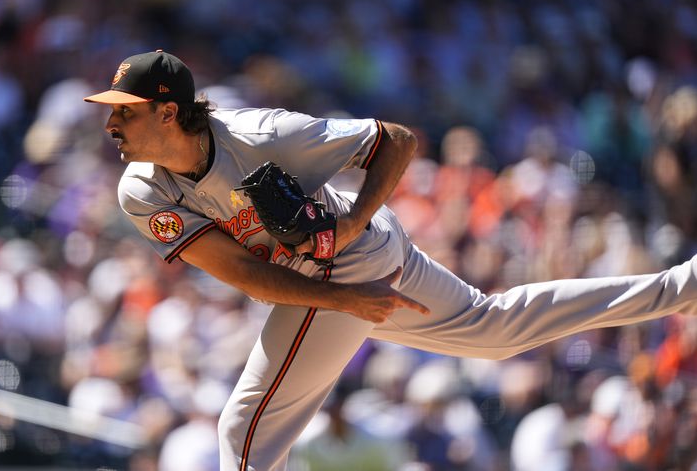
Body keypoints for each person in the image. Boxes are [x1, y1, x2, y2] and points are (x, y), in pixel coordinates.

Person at [84, 50, 697, 471]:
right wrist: (348, 301)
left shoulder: (261, 134)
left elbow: (395, 141)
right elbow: (242, 272)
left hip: (352, 255)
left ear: (169, 112)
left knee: (243, 430)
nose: (110, 122)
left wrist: (350, 227)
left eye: (124, 110)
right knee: (497, 332)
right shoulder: (143, 189)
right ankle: (683, 286)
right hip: (337, 276)